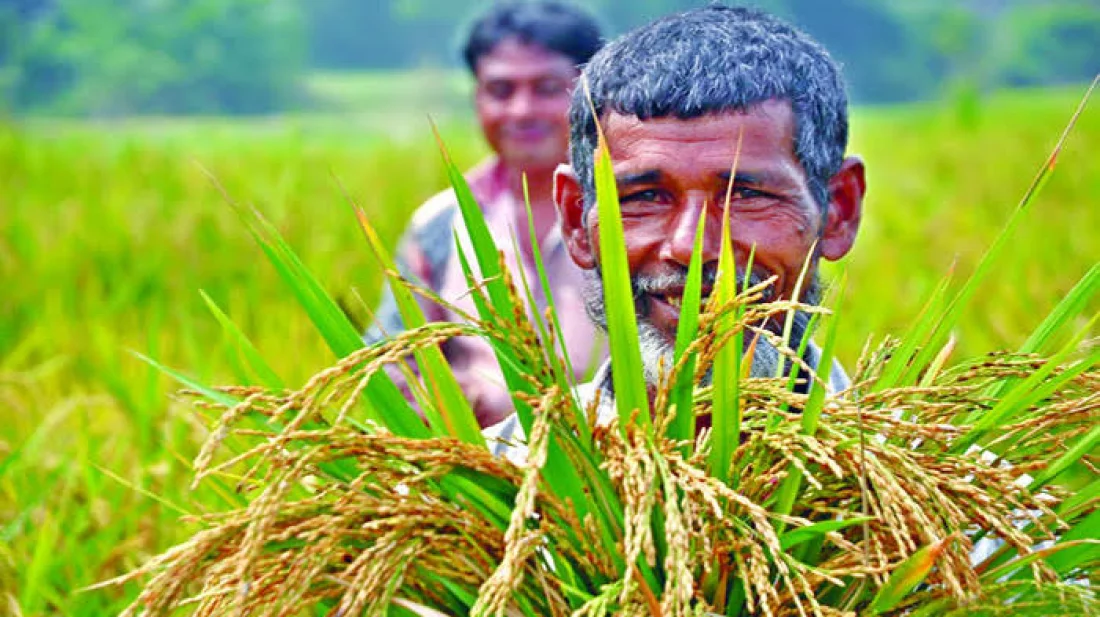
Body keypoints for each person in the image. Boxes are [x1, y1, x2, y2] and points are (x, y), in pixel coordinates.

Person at [485, 4, 866, 450]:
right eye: (645, 198)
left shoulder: (945, 500)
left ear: (838, 211)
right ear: (575, 219)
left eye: (746, 195)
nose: (690, 247)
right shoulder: (499, 482)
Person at [364, 2, 606, 428]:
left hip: (624, 465)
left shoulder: (638, 209)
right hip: (484, 474)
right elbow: (390, 362)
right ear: (477, 96)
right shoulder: (441, 223)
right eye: (501, 91)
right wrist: (454, 400)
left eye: (548, 88)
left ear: (590, 94)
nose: (521, 111)